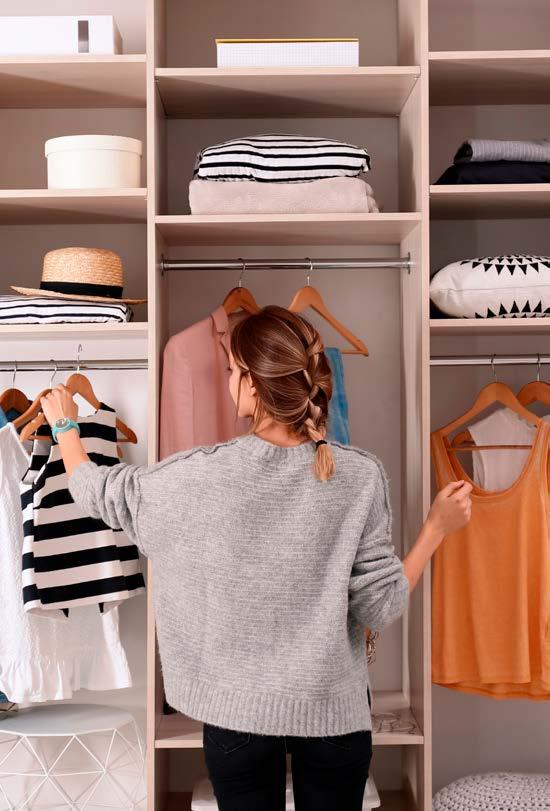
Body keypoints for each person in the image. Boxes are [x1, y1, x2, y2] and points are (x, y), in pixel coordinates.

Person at [40, 305, 471, 811]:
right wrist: (435, 529)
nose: (228, 381)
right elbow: (379, 606)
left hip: (236, 716)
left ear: (250, 383)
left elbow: (97, 491)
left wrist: (65, 425)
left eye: (231, 371)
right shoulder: (360, 475)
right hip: (333, 713)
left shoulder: (199, 474)